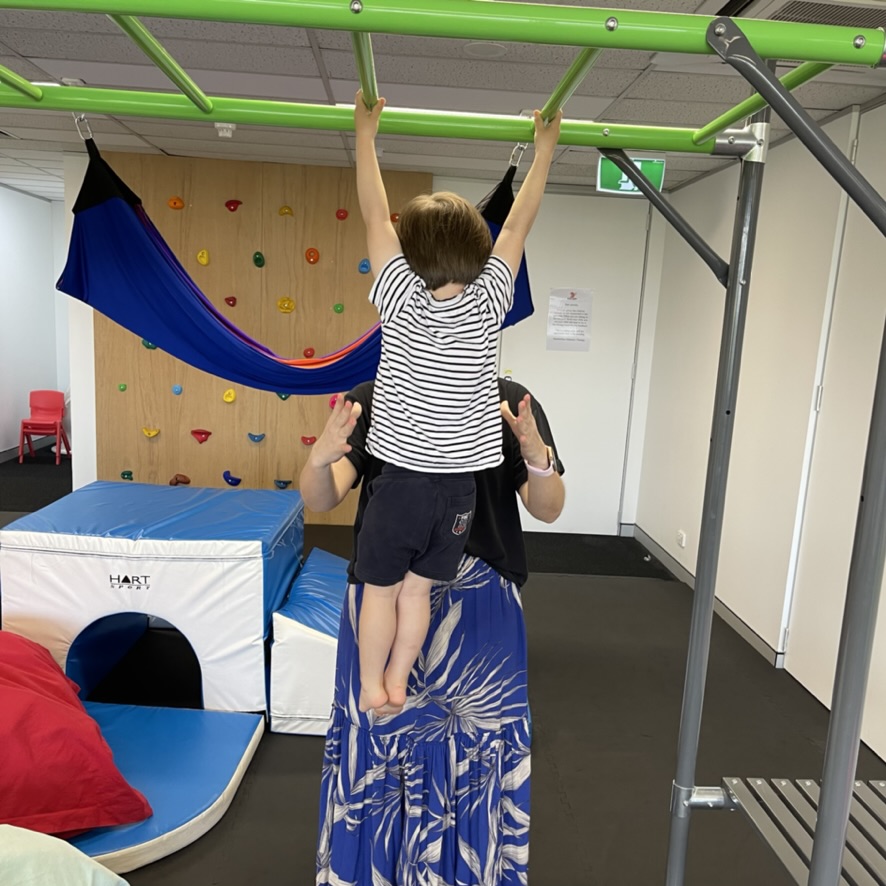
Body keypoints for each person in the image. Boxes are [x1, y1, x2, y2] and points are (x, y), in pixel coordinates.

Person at [301, 377, 565, 886]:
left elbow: (548, 506)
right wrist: (318, 458)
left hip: (479, 610)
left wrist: (536, 455)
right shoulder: (372, 396)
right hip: (383, 601)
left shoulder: (509, 401)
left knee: (475, 755)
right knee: (376, 742)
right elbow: (323, 496)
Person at [352, 88, 562, 715]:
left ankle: (374, 688)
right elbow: (518, 223)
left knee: (380, 593)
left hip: (403, 484)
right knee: (416, 594)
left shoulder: (399, 294)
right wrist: (546, 149)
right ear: (478, 255)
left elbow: (372, 213)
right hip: (460, 492)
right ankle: (399, 679)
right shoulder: (492, 298)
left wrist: (365, 137)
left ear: (410, 258)